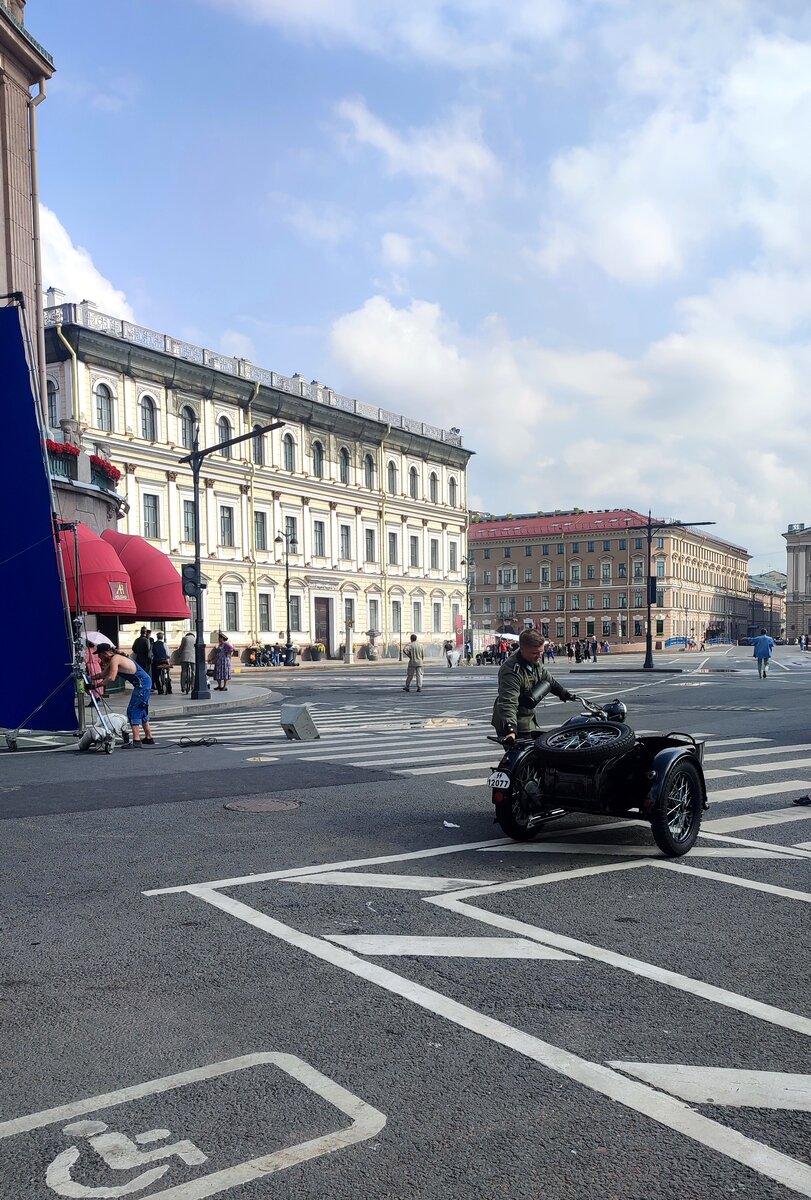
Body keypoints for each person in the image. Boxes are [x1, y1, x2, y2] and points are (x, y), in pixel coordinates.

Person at [492, 628, 577, 746]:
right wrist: (510, 730)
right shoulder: (511, 670)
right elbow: (508, 702)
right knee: (524, 757)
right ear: (522, 649)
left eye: (541, 652)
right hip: (512, 721)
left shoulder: (534, 660)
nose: (539, 656)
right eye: (535, 653)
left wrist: (565, 694)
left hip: (527, 718)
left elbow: (548, 680)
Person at [94, 645, 154, 746]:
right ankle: (149, 737)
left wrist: (95, 685)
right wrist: (88, 677)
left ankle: (136, 740)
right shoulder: (116, 658)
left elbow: (111, 678)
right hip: (144, 683)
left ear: (105, 653)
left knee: (133, 710)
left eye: (99, 655)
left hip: (142, 684)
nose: (99, 658)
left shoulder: (115, 659)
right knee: (141, 709)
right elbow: (102, 675)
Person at [178, 630, 196, 694]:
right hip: (193, 657)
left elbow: (181, 647)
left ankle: (183, 686)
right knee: (194, 672)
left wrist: (179, 654)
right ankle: (193, 686)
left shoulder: (184, 638)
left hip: (185, 656)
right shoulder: (195, 639)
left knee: (184, 671)